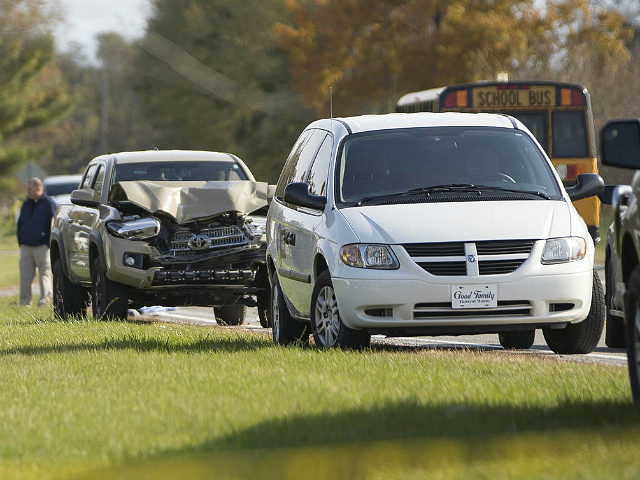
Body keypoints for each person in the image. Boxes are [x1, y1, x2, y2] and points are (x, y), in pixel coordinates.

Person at [16, 177, 56, 306]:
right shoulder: (26, 203)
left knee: (44, 274)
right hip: (26, 246)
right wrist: (21, 241)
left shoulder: (49, 203)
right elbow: (20, 224)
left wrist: (48, 242)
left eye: (29, 189)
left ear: (38, 188)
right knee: (25, 276)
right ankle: (24, 302)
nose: (27, 192)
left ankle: (45, 300)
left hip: (42, 247)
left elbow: (53, 224)